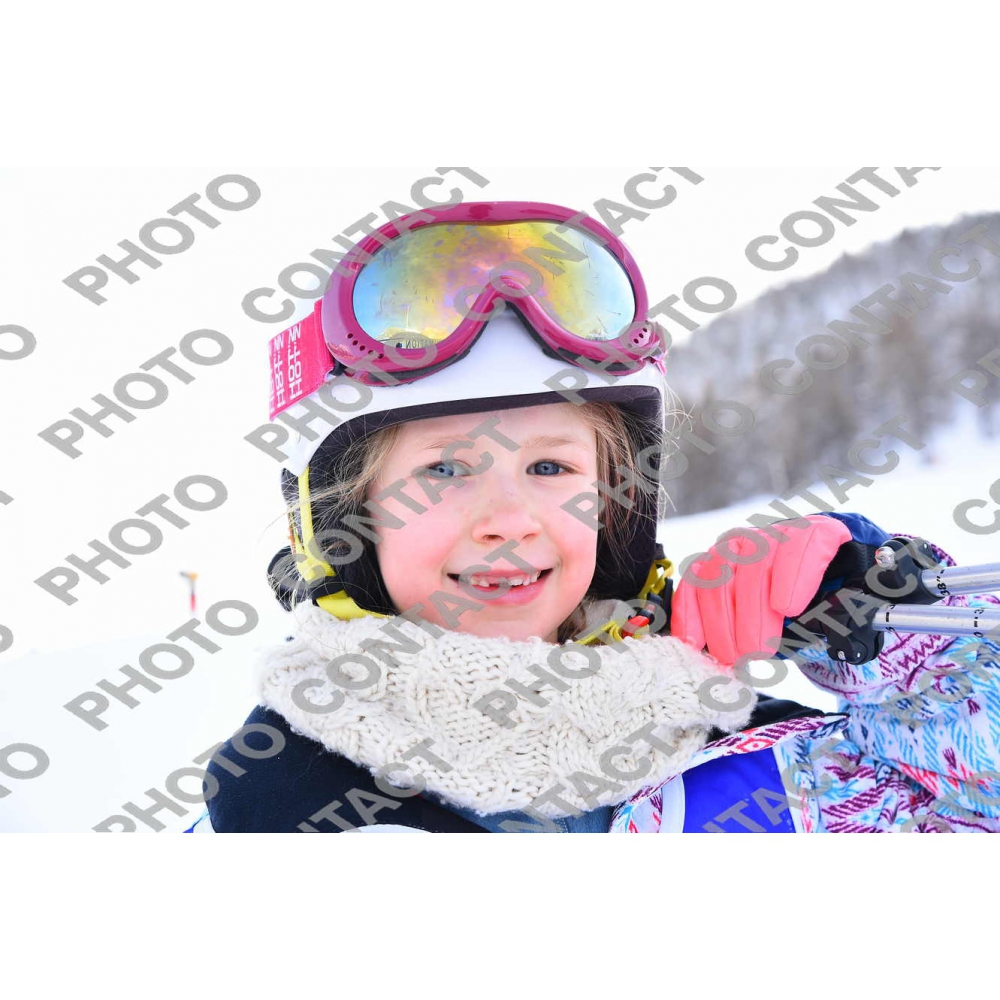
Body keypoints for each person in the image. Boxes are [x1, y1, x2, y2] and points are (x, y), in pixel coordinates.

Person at [187, 201, 1000, 833]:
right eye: (443, 470)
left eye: (551, 468)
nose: (510, 520)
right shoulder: (279, 806)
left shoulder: (749, 756)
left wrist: (900, 639)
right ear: (340, 524)